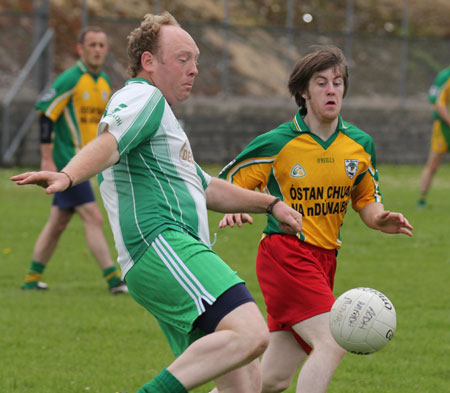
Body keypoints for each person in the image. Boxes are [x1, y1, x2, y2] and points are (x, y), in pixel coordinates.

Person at [11, 12, 303, 393]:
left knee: (245, 383)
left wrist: (270, 205)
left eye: (196, 59)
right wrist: (67, 175)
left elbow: (207, 187)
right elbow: (109, 144)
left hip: (167, 254)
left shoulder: (163, 118)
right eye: (183, 59)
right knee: (250, 333)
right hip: (162, 243)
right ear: (149, 61)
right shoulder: (142, 96)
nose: (194, 69)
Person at [218, 45, 413, 393]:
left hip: (324, 260)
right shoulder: (278, 142)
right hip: (286, 254)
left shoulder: (359, 144)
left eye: (337, 82)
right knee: (335, 339)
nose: (331, 90)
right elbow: (227, 183)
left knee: (271, 380)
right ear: (303, 92)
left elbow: (366, 199)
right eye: (321, 83)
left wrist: (379, 218)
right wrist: (236, 206)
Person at [20, 26, 128, 294]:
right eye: (92, 45)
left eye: (102, 45)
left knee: (58, 222)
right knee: (93, 216)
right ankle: (115, 280)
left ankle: (32, 279)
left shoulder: (103, 82)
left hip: (87, 164)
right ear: (80, 49)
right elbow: (45, 114)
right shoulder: (70, 79)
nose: (97, 50)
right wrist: (47, 159)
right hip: (68, 164)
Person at [417, 65, 450, 207]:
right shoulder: (444, 76)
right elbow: (436, 103)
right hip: (443, 127)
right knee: (433, 163)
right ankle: (422, 199)